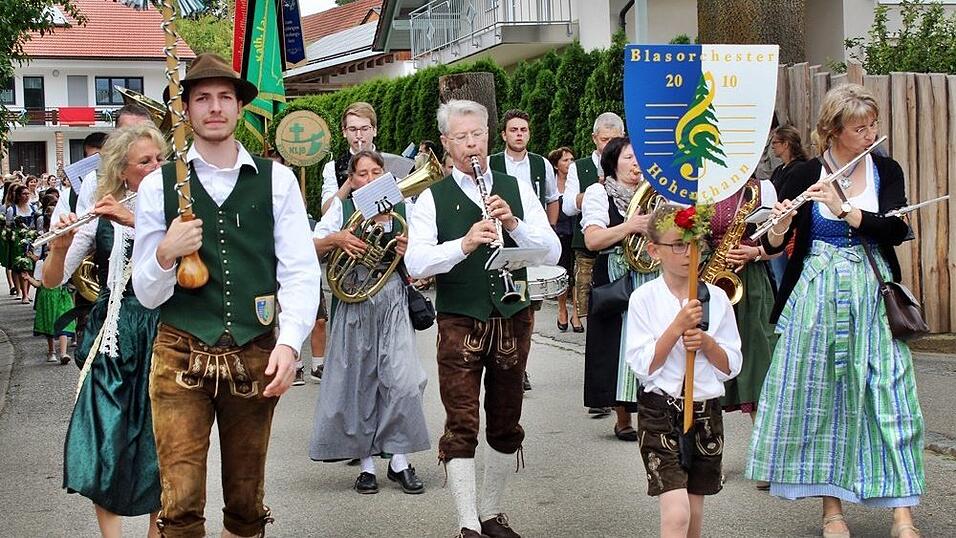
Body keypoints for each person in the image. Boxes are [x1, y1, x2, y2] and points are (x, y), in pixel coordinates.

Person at [131, 53, 320, 537]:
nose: (214, 108)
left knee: (245, 498)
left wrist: (289, 342)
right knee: (181, 501)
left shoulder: (276, 181)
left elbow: (300, 271)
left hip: (254, 349)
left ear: (238, 108)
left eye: (223, 98)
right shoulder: (158, 186)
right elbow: (147, 295)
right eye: (202, 99)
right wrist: (165, 254)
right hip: (179, 354)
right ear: (187, 111)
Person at [747, 84, 924, 538]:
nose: (869, 134)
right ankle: (832, 510)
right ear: (833, 131)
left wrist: (847, 210)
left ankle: (903, 513)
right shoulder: (804, 172)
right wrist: (781, 224)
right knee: (826, 399)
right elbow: (769, 244)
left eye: (873, 125)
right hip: (817, 296)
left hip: (871, 293)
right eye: (859, 128)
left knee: (891, 394)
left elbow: (897, 229)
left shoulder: (887, 170)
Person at [406, 99, 560, 538]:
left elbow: (550, 251)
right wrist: (464, 244)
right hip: (460, 319)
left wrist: (513, 222)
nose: (471, 144)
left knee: (507, 417)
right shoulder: (432, 198)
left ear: (488, 134)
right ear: (446, 143)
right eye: (461, 137)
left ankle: (492, 512)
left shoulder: (514, 185)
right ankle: (467, 521)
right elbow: (416, 261)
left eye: (477, 135)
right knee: (461, 421)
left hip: (513, 317)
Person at [44, 123, 167, 537]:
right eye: (144, 162)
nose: (155, 168)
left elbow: (188, 259)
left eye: (159, 159)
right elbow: (52, 280)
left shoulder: (177, 209)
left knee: (160, 446)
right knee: (102, 439)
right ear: (122, 170)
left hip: (162, 331)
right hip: (112, 334)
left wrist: (133, 218)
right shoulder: (101, 214)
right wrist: (60, 247)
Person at [309, 150, 429, 495]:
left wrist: (411, 251)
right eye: (363, 174)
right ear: (352, 180)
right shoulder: (343, 209)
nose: (371, 178)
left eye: (377, 172)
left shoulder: (406, 210)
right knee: (359, 381)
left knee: (404, 380)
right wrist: (336, 239)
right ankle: (366, 465)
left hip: (391, 297)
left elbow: (424, 261)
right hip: (354, 299)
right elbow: (310, 245)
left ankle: (399, 460)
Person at [625, 203, 742, 538]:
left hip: (705, 410)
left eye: (695, 243)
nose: (688, 253)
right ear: (655, 250)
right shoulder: (644, 299)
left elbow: (731, 365)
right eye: (677, 244)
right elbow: (643, 365)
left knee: (693, 512)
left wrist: (706, 343)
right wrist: (675, 328)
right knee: (676, 513)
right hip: (660, 410)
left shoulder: (716, 298)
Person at [580, 137, 655, 440]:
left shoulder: (653, 192)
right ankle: (622, 418)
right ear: (613, 163)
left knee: (651, 340)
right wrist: (630, 226)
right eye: (628, 157)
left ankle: (653, 413)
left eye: (639, 158)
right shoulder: (599, 193)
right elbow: (592, 240)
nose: (636, 164)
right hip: (615, 275)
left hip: (651, 274)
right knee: (616, 343)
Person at [706, 179, 777, 489]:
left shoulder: (763, 189)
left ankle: (765, 459)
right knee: (706, 374)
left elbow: (782, 244)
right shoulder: (697, 187)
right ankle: (708, 460)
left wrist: (756, 252)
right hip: (706, 280)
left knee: (759, 370)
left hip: (752, 285)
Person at [488, 108, 561, 392]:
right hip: (503, 247)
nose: (519, 134)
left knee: (527, 311)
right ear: (504, 134)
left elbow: (552, 199)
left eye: (523, 130)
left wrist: (546, 232)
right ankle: (506, 363)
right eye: (514, 130)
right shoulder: (493, 163)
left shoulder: (541, 164)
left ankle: (521, 366)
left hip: (529, 244)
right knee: (510, 307)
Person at [561, 112, 625, 335]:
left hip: (623, 247)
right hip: (588, 247)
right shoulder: (579, 166)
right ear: (594, 138)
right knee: (591, 304)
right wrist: (594, 193)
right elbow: (568, 206)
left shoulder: (631, 162)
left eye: (614, 140)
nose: (608, 145)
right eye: (604, 139)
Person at [320, 101, 411, 214]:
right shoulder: (332, 167)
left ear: (374, 130)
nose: (359, 135)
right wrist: (350, 181)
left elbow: (408, 208)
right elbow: (325, 212)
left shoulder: (394, 162)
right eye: (353, 129)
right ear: (344, 132)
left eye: (364, 129)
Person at [30, 193, 75, 365]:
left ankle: (63, 353)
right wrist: (28, 278)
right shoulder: (42, 263)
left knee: (64, 322)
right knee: (50, 326)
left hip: (62, 295)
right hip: (47, 297)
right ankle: (51, 351)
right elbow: (41, 282)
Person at [767, 125, 808, 286]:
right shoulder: (779, 170)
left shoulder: (799, 169)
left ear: (786, 144)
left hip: (790, 230)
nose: (772, 146)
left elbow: (785, 197)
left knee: (784, 278)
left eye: (775, 142)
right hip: (775, 226)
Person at [547, 146, 580, 332]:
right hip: (559, 233)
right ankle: (561, 309)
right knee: (564, 273)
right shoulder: (551, 183)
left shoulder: (576, 182)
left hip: (576, 231)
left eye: (571, 159)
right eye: (565, 160)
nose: (569, 163)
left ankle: (576, 312)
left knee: (578, 274)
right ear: (556, 164)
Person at [7, 184, 38, 303]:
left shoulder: (33, 208)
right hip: (18, 241)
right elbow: (8, 225)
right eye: (24, 194)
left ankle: (27, 292)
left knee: (30, 265)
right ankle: (23, 293)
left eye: (27, 194)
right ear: (19, 196)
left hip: (30, 239)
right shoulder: (12, 209)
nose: (26, 196)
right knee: (20, 265)